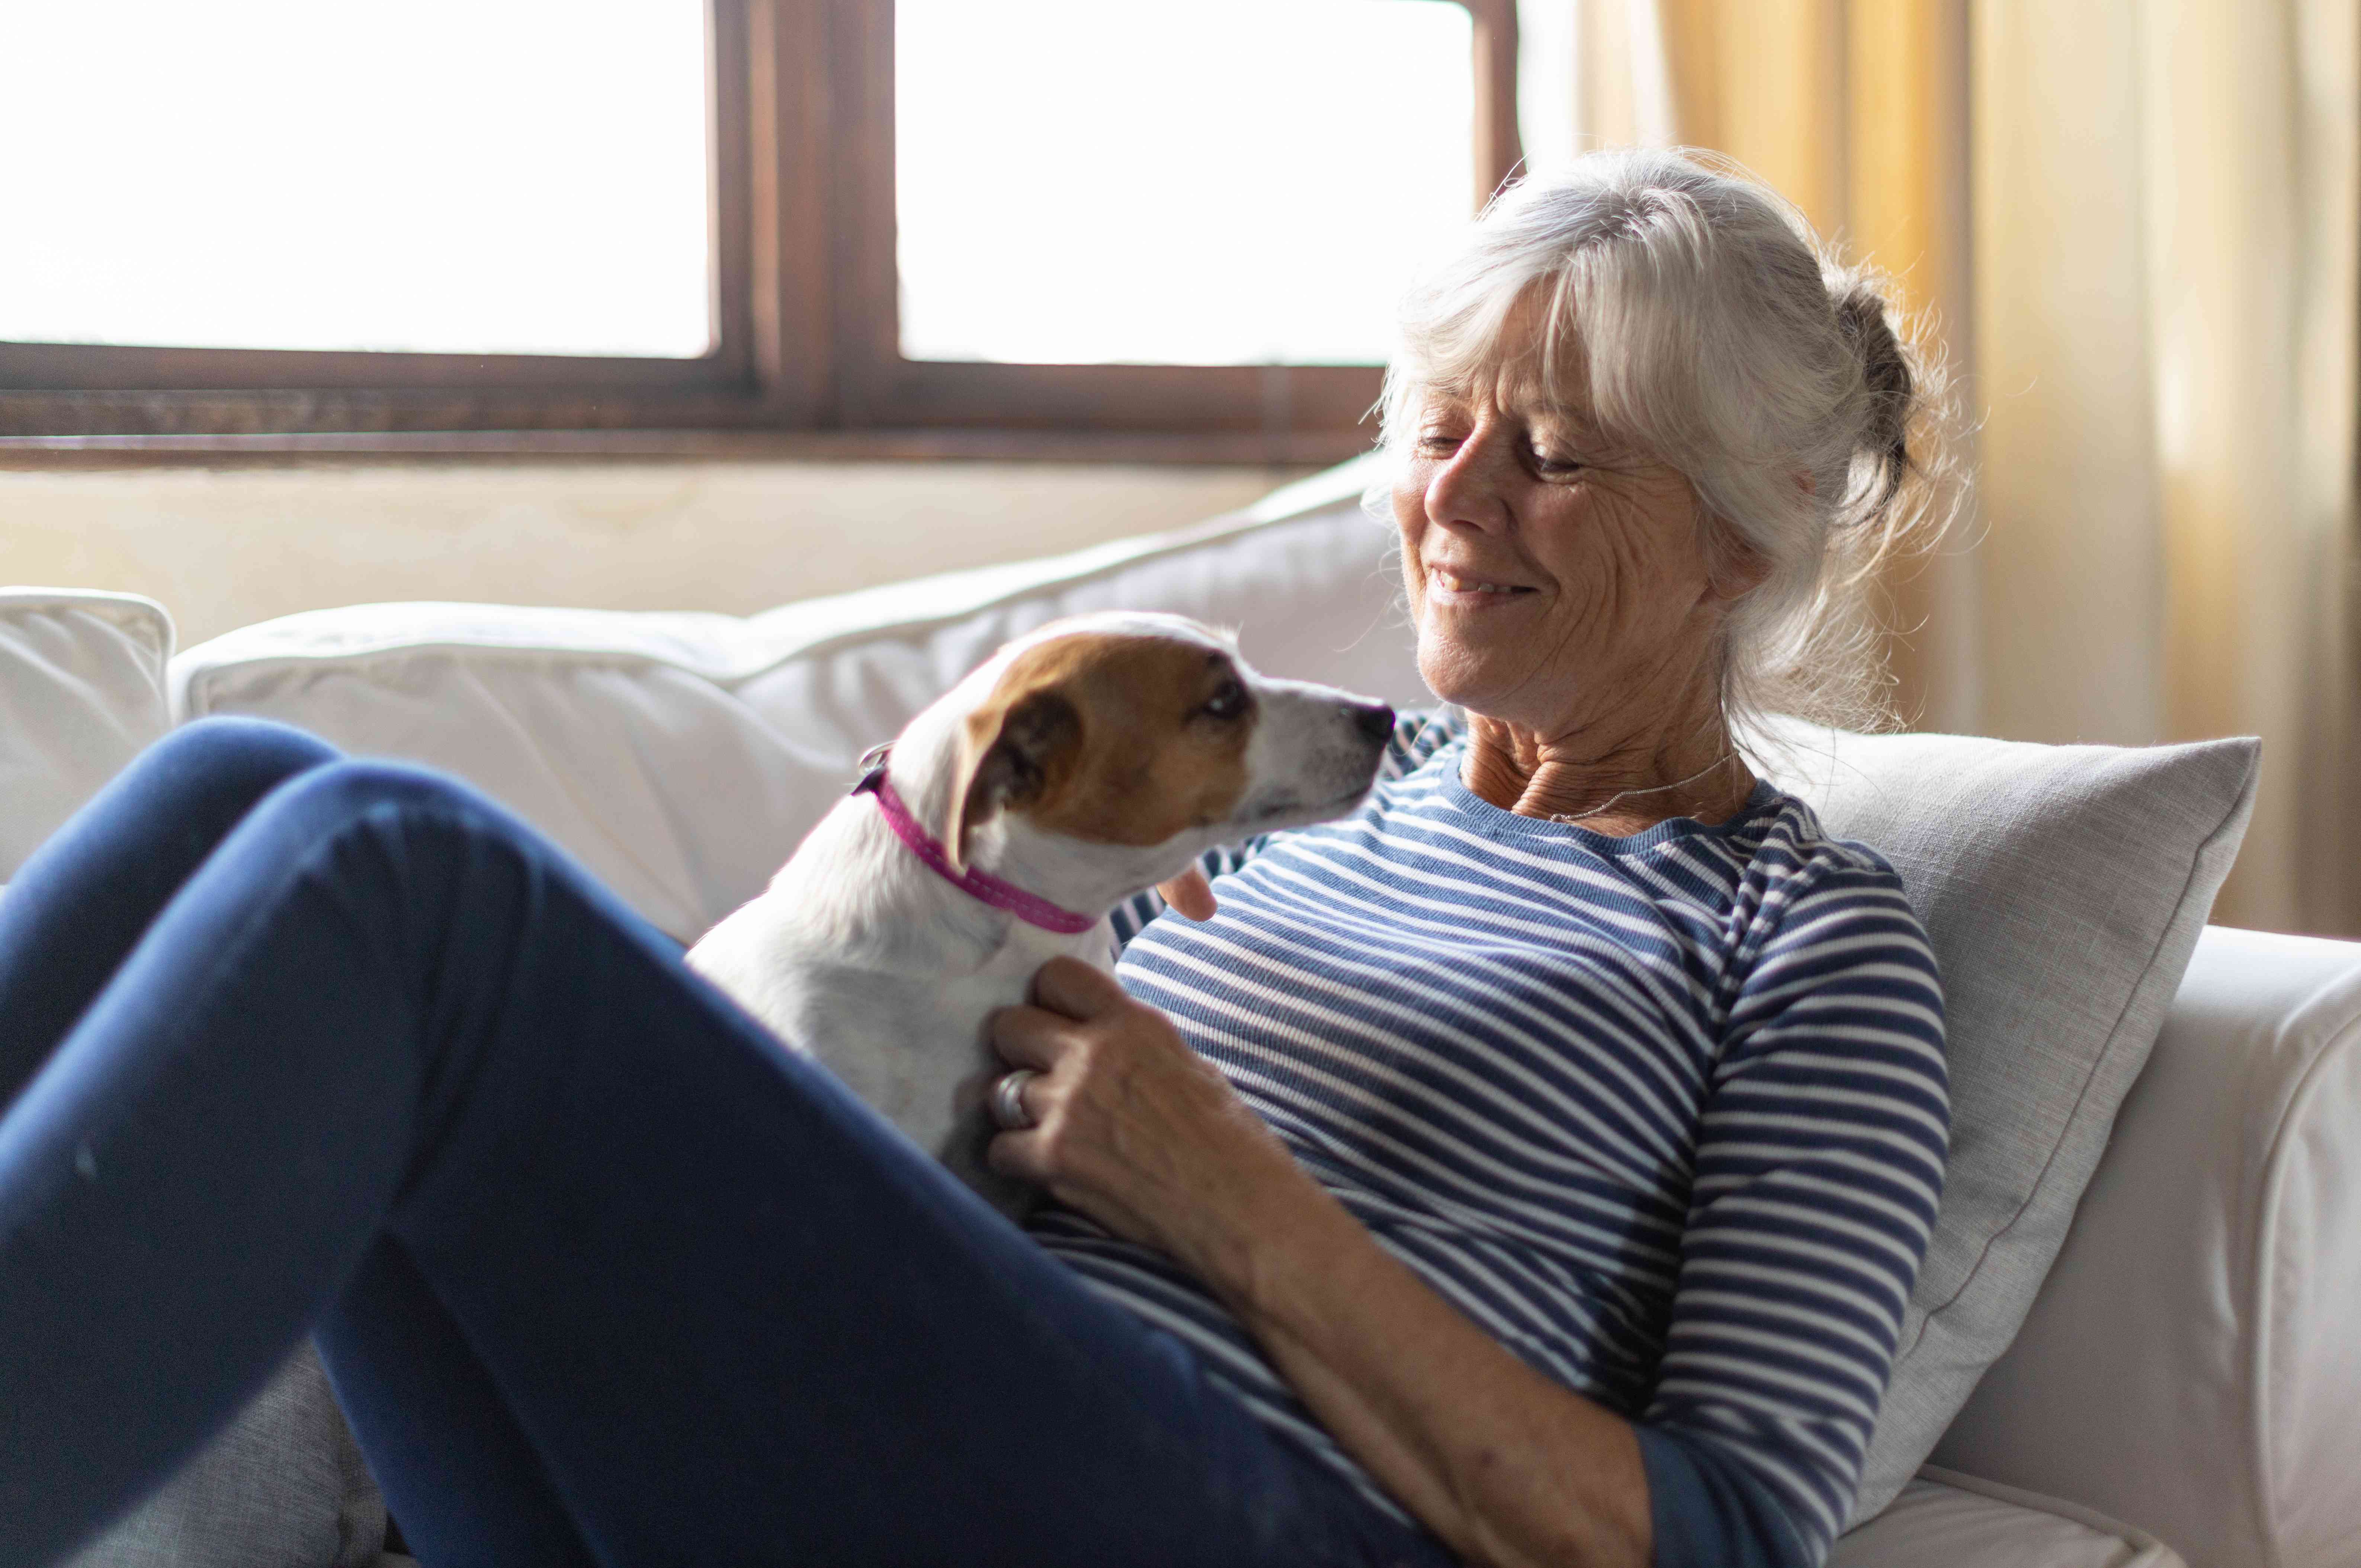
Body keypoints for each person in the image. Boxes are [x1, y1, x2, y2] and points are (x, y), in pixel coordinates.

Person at [0, 148, 1949, 1568]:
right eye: (1443, 421)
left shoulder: (1808, 942)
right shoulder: (1312, 800)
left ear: (1741, 536)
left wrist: (1219, 1189)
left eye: (1552, 450)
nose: (1449, 495)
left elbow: (1726, 1536)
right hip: (866, 1431)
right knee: (240, 792)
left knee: (392, 869)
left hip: (1221, 1512)